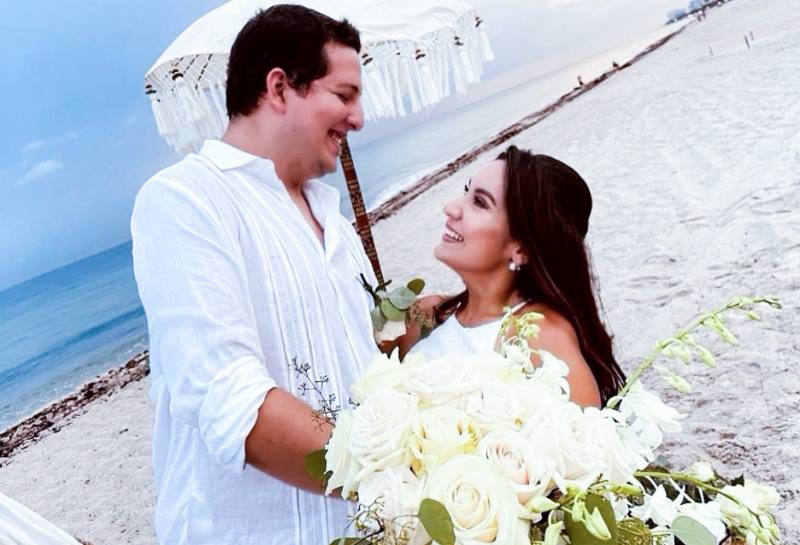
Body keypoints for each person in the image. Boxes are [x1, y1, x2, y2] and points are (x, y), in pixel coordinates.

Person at [130, 5, 377, 545]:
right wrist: (391, 471)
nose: (358, 118)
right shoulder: (185, 200)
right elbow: (229, 395)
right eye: (344, 94)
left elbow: (364, 356)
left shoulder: (332, 218)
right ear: (280, 87)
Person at [400, 145, 625, 407]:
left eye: (480, 202)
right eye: (466, 191)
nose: (451, 208)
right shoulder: (426, 315)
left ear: (522, 248)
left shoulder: (541, 338)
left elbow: (588, 442)